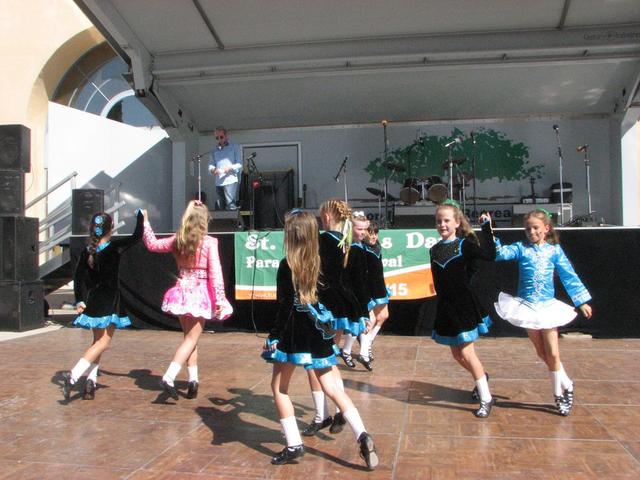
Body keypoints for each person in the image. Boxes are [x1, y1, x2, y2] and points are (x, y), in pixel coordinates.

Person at [262, 210, 378, 470]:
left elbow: (284, 307)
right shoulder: (320, 262)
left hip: (293, 334)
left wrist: (273, 337)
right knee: (334, 388)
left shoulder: (287, 264)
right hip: (319, 333)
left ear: (290, 236)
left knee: (279, 388)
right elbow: (341, 292)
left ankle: (293, 444)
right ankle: (362, 434)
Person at [493, 208, 592, 416]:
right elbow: (501, 254)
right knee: (541, 352)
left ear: (546, 228)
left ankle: (558, 394)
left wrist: (581, 300)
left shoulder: (554, 251)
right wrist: (489, 232)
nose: (531, 232)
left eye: (535, 227)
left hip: (547, 308)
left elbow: (568, 275)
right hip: (527, 307)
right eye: (527, 228)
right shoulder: (521, 248)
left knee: (553, 352)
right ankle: (567, 382)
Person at [141, 201, 232, 400]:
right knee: (192, 338)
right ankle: (169, 376)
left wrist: (146, 223)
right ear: (204, 220)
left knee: (189, 339)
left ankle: (193, 381)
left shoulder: (178, 240)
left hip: (181, 292)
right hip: (199, 295)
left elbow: (152, 244)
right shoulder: (208, 242)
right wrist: (219, 299)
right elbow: (215, 273)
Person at [301, 199, 368, 437]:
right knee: (328, 357)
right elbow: (359, 283)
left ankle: (323, 414)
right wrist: (362, 311)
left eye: (321, 217)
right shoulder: (350, 244)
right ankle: (334, 409)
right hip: (343, 304)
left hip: (324, 304)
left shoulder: (322, 241)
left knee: (315, 360)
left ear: (328, 217)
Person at [62, 210, 143, 400]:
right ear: (111, 229)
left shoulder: (87, 250)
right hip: (110, 300)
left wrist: (80, 299)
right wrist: (140, 217)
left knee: (97, 343)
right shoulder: (114, 247)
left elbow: (78, 277)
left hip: (94, 300)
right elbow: (137, 236)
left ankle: (91, 382)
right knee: (104, 343)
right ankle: (74, 374)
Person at [429, 201, 496, 417]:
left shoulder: (464, 245)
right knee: (457, 355)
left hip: (464, 306)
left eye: (447, 220)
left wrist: (487, 229)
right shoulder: (434, 250)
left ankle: (486, 398)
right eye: (439, 221)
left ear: (457, 222)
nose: (442, 224)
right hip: (447, 307)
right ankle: (482, 377)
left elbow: (489, 255)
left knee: (467, 353)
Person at [341, 212, 374, 371]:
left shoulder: (360, 247)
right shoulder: (354, 249)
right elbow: (357, 278)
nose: (362, 232)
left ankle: (358, 351)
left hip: (358, 294)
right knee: (359, 324)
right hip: (355, 295)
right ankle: (354, 351)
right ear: (351, 229)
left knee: (359, 325)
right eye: (359, 229)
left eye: (364, 229)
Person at [360, 220, 390, 364]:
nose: (373, 237)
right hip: (368, 289)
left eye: (375, 233)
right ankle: (364, 350)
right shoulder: (362, 249)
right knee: (370, 320)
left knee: (384, 315)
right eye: (370, 233)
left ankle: (369, 341)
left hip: (380, 287)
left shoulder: (377, 247)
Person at [208, 126, 242, 210]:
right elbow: (210, 165)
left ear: (226, 136)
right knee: (221, 207)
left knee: (230, 205)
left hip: (230, 180)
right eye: (217, 138)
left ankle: (233, 222)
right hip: (218, 182)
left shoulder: (234, 147)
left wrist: (230, 168)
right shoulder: (214, 150)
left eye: (221, 137)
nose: (219, 139)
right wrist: (213, 170)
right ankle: (223, 223)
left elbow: (239, 164)